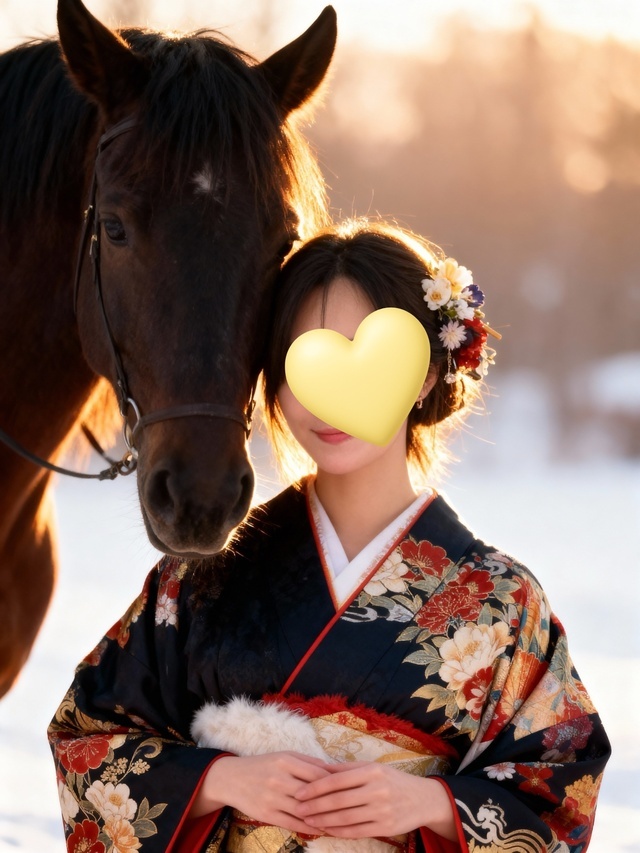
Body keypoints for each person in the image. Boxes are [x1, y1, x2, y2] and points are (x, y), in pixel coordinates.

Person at [49, 219, 610, 853]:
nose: (330, 399)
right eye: (302, 361)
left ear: (425, 374)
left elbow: (560, 792)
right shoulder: (202, 578)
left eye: (366, 360)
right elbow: (86, 739)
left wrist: (432, 804)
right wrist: (219, 782)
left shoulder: (501, 600)